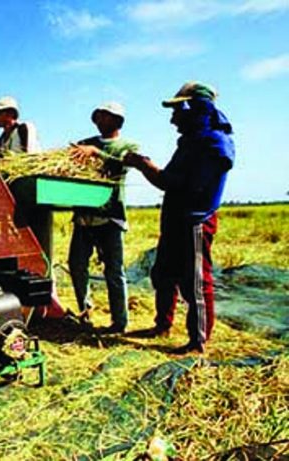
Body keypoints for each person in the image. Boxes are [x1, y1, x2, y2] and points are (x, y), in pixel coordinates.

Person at [124, 81, 234, 353]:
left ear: (194, 109)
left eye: (177, 112)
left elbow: (177, 183)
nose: (173, 120)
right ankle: (162, 325)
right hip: (175, 220)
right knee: (162, 274)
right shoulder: (191, 142)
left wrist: (143, 165)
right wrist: (146, 166)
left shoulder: (214, 144)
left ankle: (198, 342)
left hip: (195, 221)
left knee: (195, 282)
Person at [69, 102, 139, 334]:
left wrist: (96, 153)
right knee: (76, 265)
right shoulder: (86, 142)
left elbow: (122, 166)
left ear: (117, 121)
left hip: (110, 217)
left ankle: (119, 322)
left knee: (114, 271)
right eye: (98, 116)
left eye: (104, 117)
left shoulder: (127, 145)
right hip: (84, 217)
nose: (99, 120)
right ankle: (85, 312)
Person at [0, 96, 62, 319]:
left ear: (11, 113)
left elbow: (27, 160)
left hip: (33, 190)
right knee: (21, 248)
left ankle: (49, 301)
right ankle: (28, 299)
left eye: (0, 113)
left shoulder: (24, 129)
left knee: (41, 248)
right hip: (17, 196)